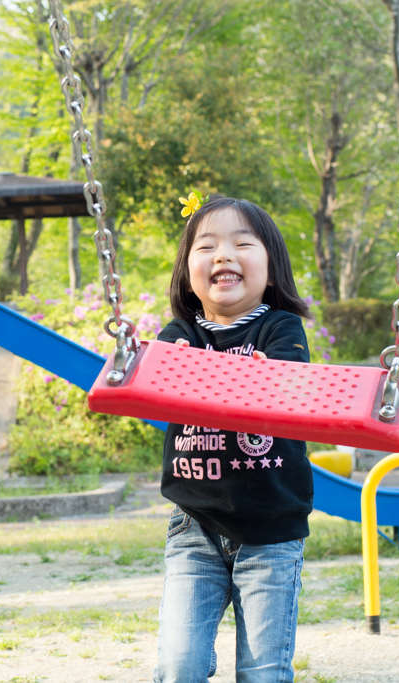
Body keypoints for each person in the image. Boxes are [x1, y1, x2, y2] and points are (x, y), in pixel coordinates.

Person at [154, 194, 312, 683]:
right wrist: (170, 368)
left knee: (263, 672)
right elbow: (153, 384)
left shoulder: (279, 329)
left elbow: (289, 378)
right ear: (187, 271)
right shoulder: (179, 335)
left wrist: (265, 378)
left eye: (243, 243)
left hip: (271, 529)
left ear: (271, 267)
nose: (224, 255)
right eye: (207, 247)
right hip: (194, 525)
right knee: (180, 665)